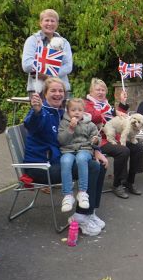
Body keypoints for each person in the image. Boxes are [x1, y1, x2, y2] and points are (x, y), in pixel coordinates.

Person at [24, 77, 107, 236]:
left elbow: (82, 134)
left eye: (60, 90)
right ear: (44, 94)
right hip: (41, 166)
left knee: (99, 163)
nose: (57, 94)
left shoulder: (64, 112)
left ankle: (90, 212)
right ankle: (81, 217)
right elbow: (32, 124)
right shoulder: (40, 111)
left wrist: (96, 150)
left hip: (60, 160)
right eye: (53, 90)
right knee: (92, 167)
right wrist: (36, 111)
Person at [84, 78, 143, 199]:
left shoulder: (106, 104)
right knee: (123, 150)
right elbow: (95, 118)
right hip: (98, 139)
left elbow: (118, 119)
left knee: (138, 146)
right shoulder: (87, 104)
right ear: (91, 91)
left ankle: (129, 181)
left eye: (103, 90)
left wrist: (122, 103)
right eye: (97, 90)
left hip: (113, 136)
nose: (101, 92)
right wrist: (114, 111)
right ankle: (117, 184)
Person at [57, 98, 101, 213]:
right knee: (65, 161)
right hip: (68, 150)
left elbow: (95, 137)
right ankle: (68, 195)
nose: (76, 112)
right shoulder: (63, 123)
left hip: (84, 149)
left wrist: (95, 140)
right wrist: (70, 128)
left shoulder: (89, 124)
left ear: (84, 112)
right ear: (67, 111)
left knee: (81, 159)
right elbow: (61, 141)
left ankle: (82, 192)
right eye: (73, 110)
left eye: (80, 110)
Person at [22, 9, 73, 97]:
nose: (50, 24)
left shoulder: (64, 42)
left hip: (60, 90)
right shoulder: (32, 41)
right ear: (41, 23)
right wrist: (48, 72)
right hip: (37, 90)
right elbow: (26, 65)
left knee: (61, 111)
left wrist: (48, 76)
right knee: (39, 111)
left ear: (57, 24)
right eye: (47, 20)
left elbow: (68, 66)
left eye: (53, 21)